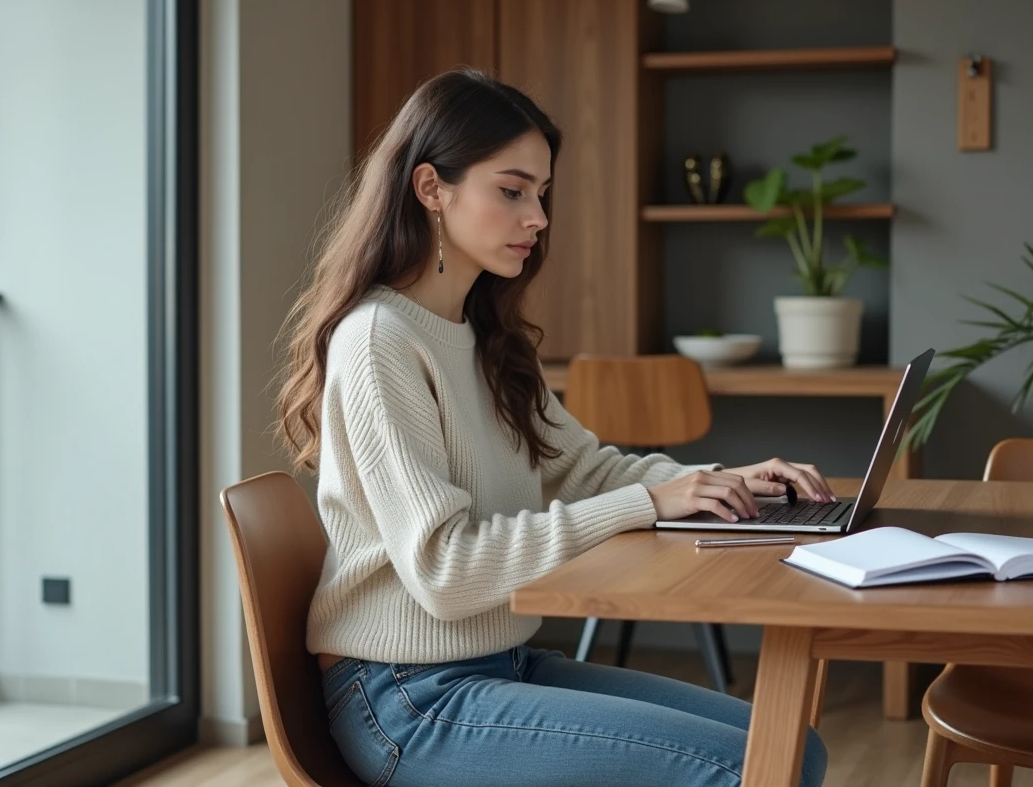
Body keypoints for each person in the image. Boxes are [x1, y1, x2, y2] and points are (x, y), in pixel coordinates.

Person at [277, 68, 831, 787]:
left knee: (795, 750)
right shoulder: (379, 339)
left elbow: (586, 468)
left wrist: (718, 484)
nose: (536, 217)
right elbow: (444, 570)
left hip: (501, 664)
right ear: (431, 189)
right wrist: (648, 503)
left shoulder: (486, 336)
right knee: (740, 770)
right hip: (407, 698)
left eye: (541, 193)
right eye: (511, 191)